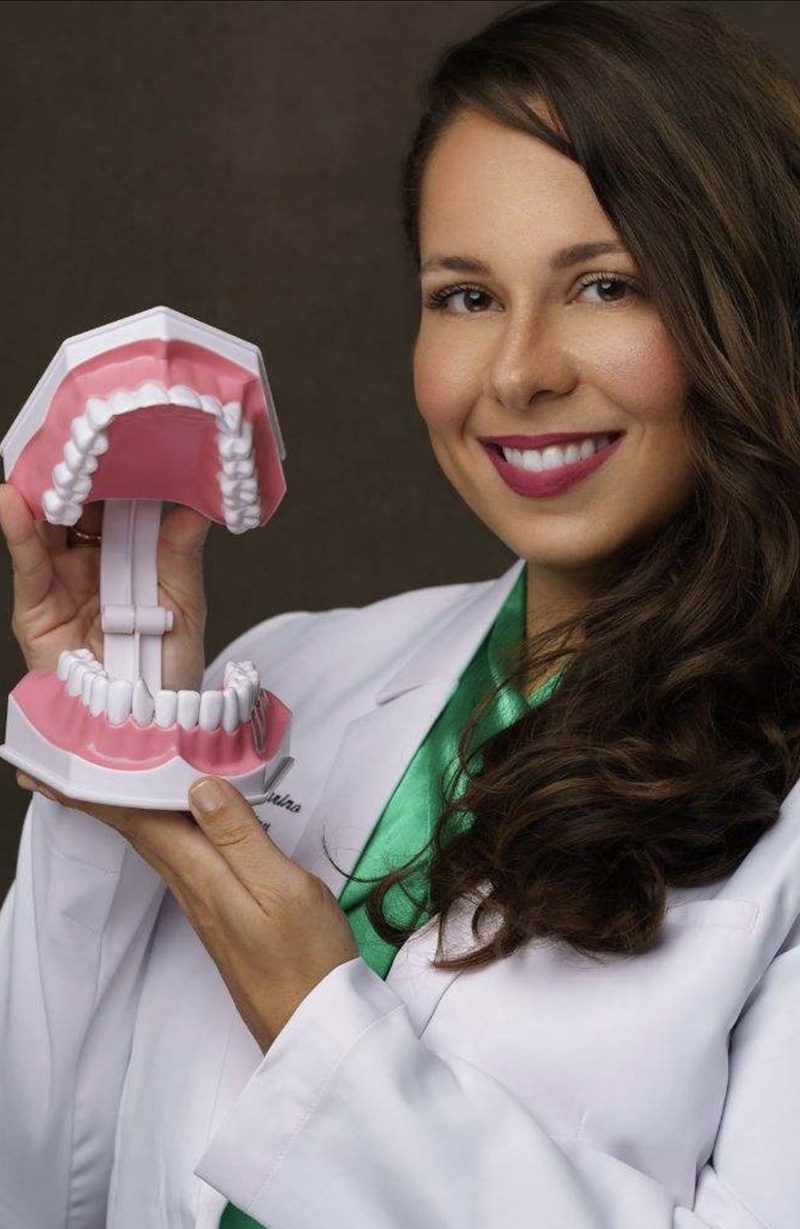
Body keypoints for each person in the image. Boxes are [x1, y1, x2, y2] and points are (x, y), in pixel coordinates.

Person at [1, 0, 799, 1224]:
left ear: (740, 309)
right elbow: (47, 1178)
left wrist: (319, 1019)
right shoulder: (291, 674)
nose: (519, 373)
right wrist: (120, 742)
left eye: (602, 284)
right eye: (464, 296)